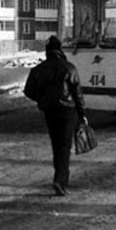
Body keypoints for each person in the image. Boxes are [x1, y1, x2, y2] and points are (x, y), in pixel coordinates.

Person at [24, 35, 86, 196]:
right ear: (59, 50)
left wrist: (43, 99)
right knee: (64, 146)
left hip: (49, 112)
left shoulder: (38, 69)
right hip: (67, 111)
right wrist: (82, 114)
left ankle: (59, 178)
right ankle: (60, 181)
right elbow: (78, 94)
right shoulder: (69, 67)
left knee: (56, 144)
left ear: (47, 51)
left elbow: (29, 91)